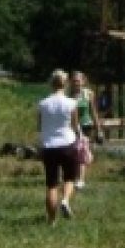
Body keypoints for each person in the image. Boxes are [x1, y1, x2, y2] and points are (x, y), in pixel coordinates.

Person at [38, 69, 81, 224]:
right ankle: (65, 200)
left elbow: (40, 126)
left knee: (51, 185)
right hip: (67, 143)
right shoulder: (71, 103)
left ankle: (51, 220)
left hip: (49, 146)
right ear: (66, 83)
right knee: (69, 177)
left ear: (51, 84)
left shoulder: (43, 104)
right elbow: (75, 125)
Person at [68, 71, 104, 189]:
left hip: (86, 125)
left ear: (83, 81)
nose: (76, 83)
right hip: (72, 127)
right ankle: (74, 176)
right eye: (74, 81)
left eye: (78, 81)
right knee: (74, 152)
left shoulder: (88, 94)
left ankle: (81, 179)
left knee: (82, 150)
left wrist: (98, 129)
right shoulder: (68, 95)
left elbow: (93, 112)